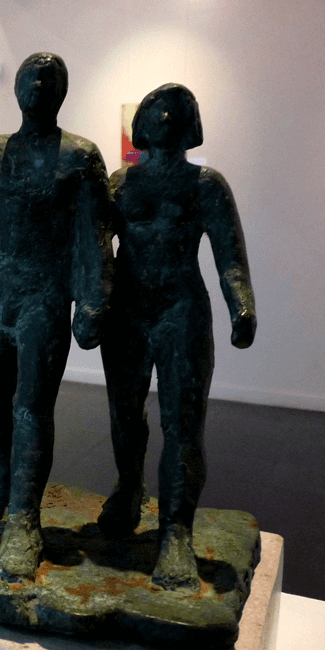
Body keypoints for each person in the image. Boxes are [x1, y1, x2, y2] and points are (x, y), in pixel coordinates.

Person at [0, 53, 113, 581]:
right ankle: (5, 474)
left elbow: (95, 236)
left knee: (31, 405)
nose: (38, 83)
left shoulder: (79, 157)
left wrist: (93, 299)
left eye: (49, 77)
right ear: (15, 89)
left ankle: (24, 521)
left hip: (44, 296)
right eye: (30, 76)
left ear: (62, 91)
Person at [97, 83, 256, 590]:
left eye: (177, 110)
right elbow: (95, 247)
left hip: (180, 308)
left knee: (183, 423)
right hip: (127, 311)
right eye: (157, 108)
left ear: (191, 127)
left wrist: (242, 305)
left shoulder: (205, 184)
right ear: (141, 126)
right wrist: (90, 302)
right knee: (124, 413)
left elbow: (230, 256)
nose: (166, 115)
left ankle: (176, 532)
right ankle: (129, 486)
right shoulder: (120, 183)